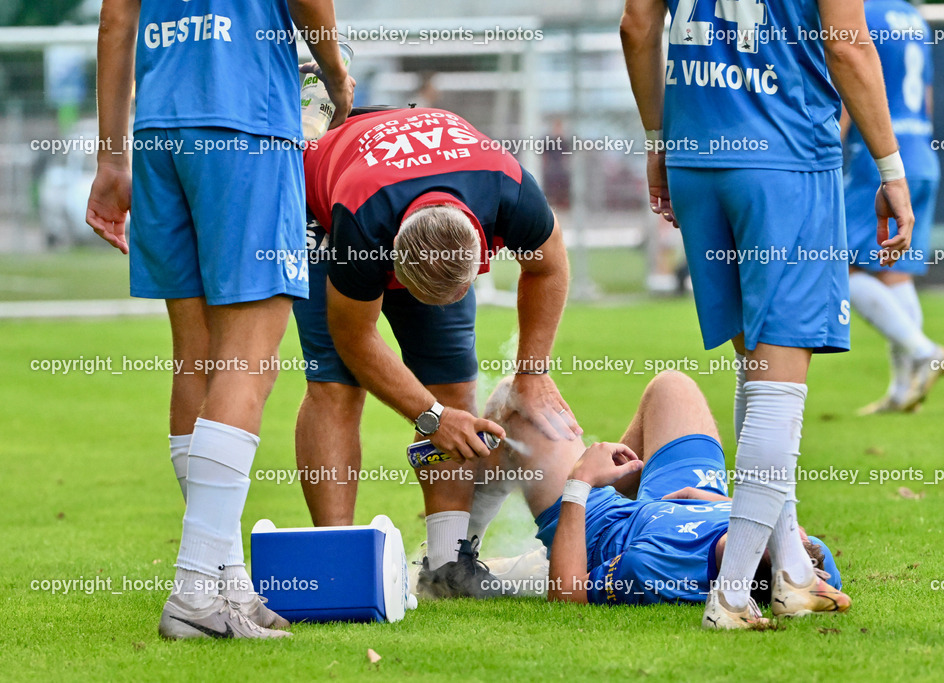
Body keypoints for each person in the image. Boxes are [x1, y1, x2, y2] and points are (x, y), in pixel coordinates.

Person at [620, 0, 914, 628]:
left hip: (698, 156)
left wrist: (657, 141)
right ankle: (730, 594)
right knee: (779, 375)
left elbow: (638, 25)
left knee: (756, 361)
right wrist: (890, 168)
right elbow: (848, 45)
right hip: (784, 158)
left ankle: (790, 571)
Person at [85, 0, 354, 640]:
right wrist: (335, 74)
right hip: (247, 125)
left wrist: (111, 158)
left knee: (197, 359)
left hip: (158, 132)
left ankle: (224, 580)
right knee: (248, 363)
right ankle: (193, 590)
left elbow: (114, 20)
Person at [294, 103, 580, 597]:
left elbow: (548, 268)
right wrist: (430, 418)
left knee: (453, 381)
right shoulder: (362, 221)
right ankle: (334, 555)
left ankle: (446, 565)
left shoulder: (506, 187)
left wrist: (532, 372)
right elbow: (354, 336)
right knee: (336, 386)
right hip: (327, 198)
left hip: (431, 176)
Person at [480, 372, 848, 624]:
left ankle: (458, 552)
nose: (799, 532)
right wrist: (710, 501)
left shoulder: (654, 568)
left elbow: (567, 597)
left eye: (790, 537)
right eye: (797, 536)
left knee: (516, 399)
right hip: (684, 500)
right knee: (673, 386)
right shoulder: (807, 562)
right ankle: (617, 475)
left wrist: (581, 482)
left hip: (607, 523)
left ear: (752, 549)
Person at [842, 0, 944, 415]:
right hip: (922, 155)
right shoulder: (913, 16)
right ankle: (904, 390)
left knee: (838, 265)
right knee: (894, 271)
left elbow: (850, 75)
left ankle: (923, 351)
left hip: (879, 160)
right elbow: (925, 99)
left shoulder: (857, 11)